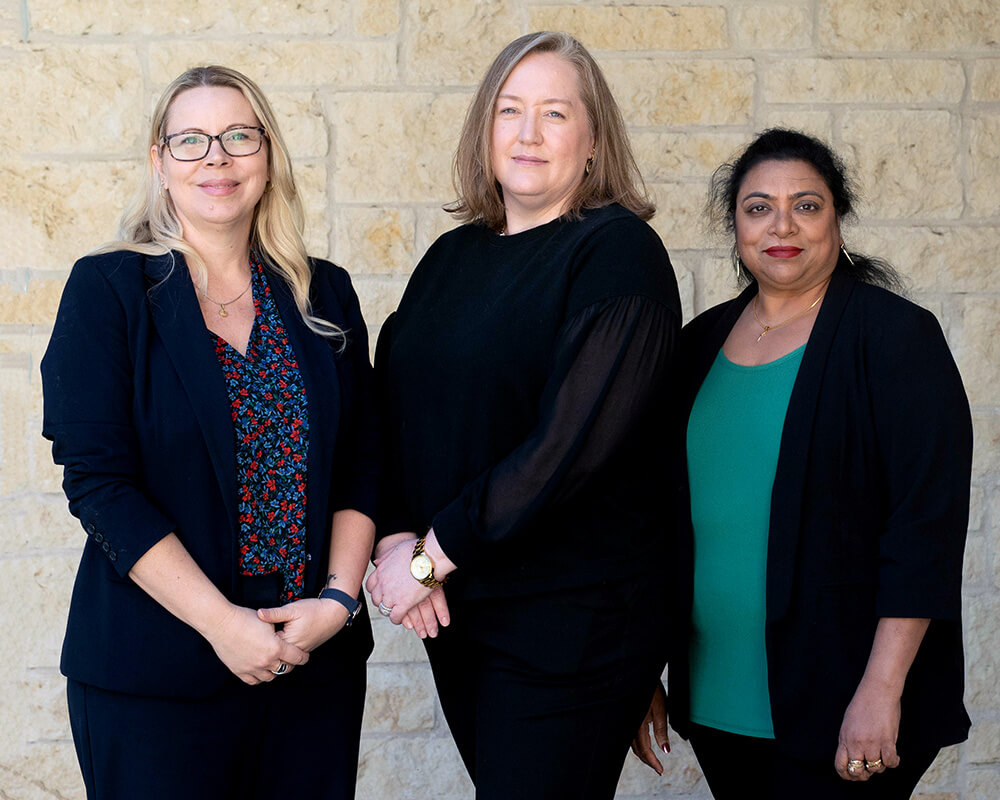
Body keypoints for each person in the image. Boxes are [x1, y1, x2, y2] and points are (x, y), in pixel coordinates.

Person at [41, 65, 377, 800]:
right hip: (156, 674)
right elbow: (98, 483)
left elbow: (363, 463)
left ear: (268, 158)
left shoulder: (324, 293)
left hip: (310, 663)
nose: (215, 158)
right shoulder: (108, 291)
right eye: (189, 140)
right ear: (159, 163)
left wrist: (338, 603)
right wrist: (222, 624)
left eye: (237, 137)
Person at [365, 31, 680, 800]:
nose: (528, 133)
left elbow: (566, 452)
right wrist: (399, 532)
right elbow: (391, 407)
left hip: (570, 621)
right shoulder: (451, 257)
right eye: (509, 111)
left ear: (594, 140)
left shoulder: (618, 253)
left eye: (555, 113)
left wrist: (427, 558)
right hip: (464, 613)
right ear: (485, 131)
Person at [631, 128, 972, 799]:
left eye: (806, 206)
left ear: (837, 221)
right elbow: (655, 523)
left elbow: (924, 530)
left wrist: (880, 690)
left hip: (849, 701)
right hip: (721, 697)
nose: (781, 224)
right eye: (758, 207)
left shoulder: (895, 338)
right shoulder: (696, 347)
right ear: (734, 227)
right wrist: (642, 667)